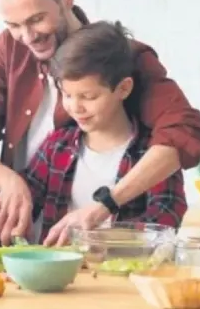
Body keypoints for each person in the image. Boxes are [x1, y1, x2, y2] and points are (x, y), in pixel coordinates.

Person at [0, 0, 200, 246]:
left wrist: (107, 204)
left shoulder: (121, 57)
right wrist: (7, 180)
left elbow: (184, 132)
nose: (27, 37)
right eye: (13, 25)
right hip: (26, 249)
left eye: (36, 19)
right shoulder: (8, 48)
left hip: (108, 254)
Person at [25, 20, 187, 246]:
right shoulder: (56, 146)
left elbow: (165, 223)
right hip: (58, 268)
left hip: (125, 268)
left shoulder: (153, 156)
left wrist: (94, 237)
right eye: (67, 95)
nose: (75, 107)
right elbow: (27, 201)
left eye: (88, 97)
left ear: (123, 89)